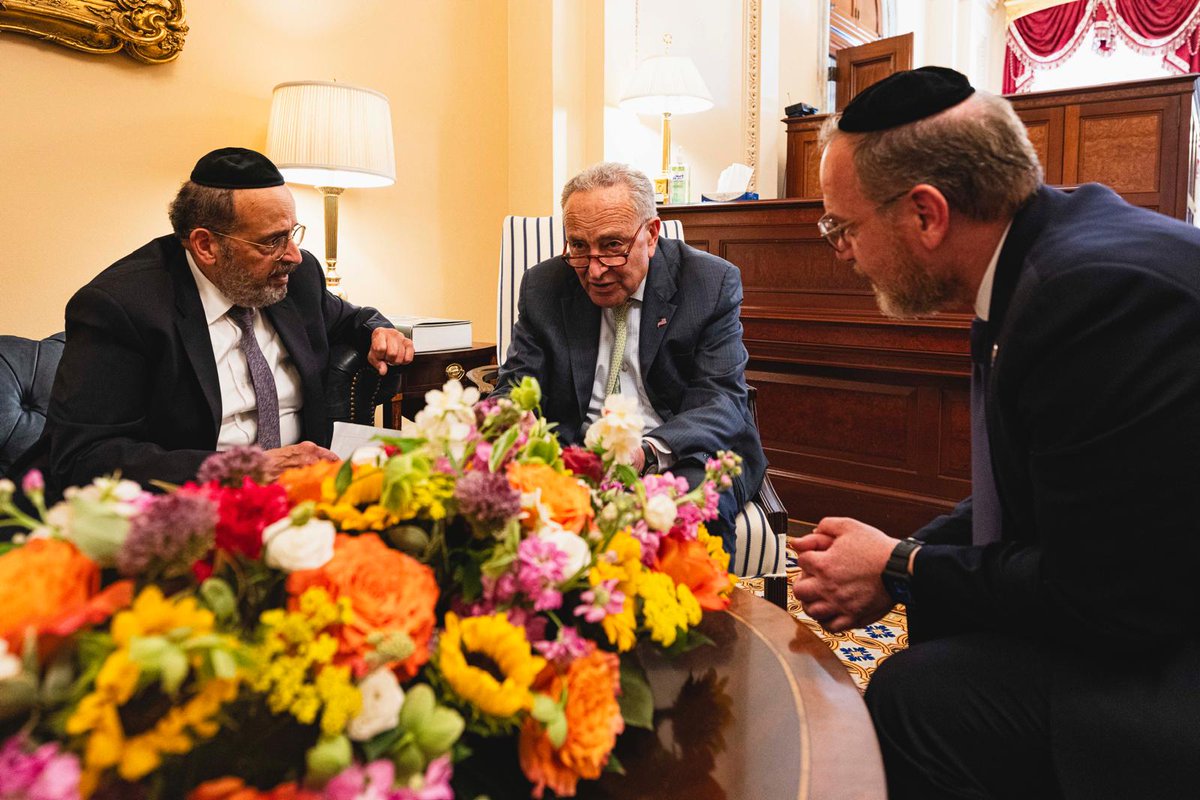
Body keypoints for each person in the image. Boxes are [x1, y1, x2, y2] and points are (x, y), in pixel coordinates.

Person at [791, 66, 1200, 799]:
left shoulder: (1094, 298)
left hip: (1173, 656)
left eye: (843, 227)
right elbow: (1033, 500)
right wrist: (900, 555)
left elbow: (1100, 595)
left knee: (916, 700)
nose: (842, 252)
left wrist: (902, 569)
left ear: (926, 213)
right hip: (1146, 593)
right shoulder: (1043, 257)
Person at [40, 147, 413, 492]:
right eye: (272, 241)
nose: (294, 255)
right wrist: (240, 469)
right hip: (191, 513)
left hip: (308, 495)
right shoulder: (122, 307)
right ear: (206, 245)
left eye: (293, 233)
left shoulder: (297, 278)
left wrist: (378, 330)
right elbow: (85, 458)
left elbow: (350, 318)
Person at [494, 162, 766, 557]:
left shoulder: (709, 282)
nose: (595, 269)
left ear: (651, 236)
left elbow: (721, 401)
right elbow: (517, 384)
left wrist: (646, 452)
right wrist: (501, 421)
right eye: (579, 247)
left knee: (686, 519)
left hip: (688, 453)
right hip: (575, 455)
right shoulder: (544, 286)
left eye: (612, 246)